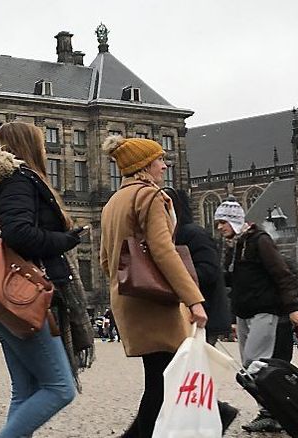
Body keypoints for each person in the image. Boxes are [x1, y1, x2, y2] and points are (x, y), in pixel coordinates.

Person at [0, 122, 82, 438]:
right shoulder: (20, 180)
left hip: (1, 293)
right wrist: (65, 239)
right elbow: (18, 233)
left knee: (25, 390)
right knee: (59, 388)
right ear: (29, 146)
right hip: (21, 294)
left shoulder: (5, 184)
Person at [99, 135, 207, 438]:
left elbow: (105, 260)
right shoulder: (150, 197)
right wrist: (194, 300)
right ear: (144, 166)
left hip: (129, 297)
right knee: (164, 381)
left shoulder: (113, 202)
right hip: (155, 301)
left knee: (160, 376)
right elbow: (163, 251)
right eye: (159, 159)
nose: (164, 165)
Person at [215, 198, 298, 433]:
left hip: (265, 311)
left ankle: (275, 413)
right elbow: (230, 280)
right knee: (250, 368)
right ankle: (271, 411)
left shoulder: (259, 241)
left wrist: (294, 307)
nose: (219, 227)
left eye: (222, 222)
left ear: (234, 221)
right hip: (244, 314)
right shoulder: (234, 246)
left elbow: (282, 274)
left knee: (256, 366)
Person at [164, 187, 239, 431]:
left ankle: (219, 413)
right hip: (189, 315)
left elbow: (209, 271)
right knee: (183, 373)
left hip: (204, 314)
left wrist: (173, 275)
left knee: (184, 373)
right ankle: (213, 414)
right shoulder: (175, 234)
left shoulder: (193, 233)